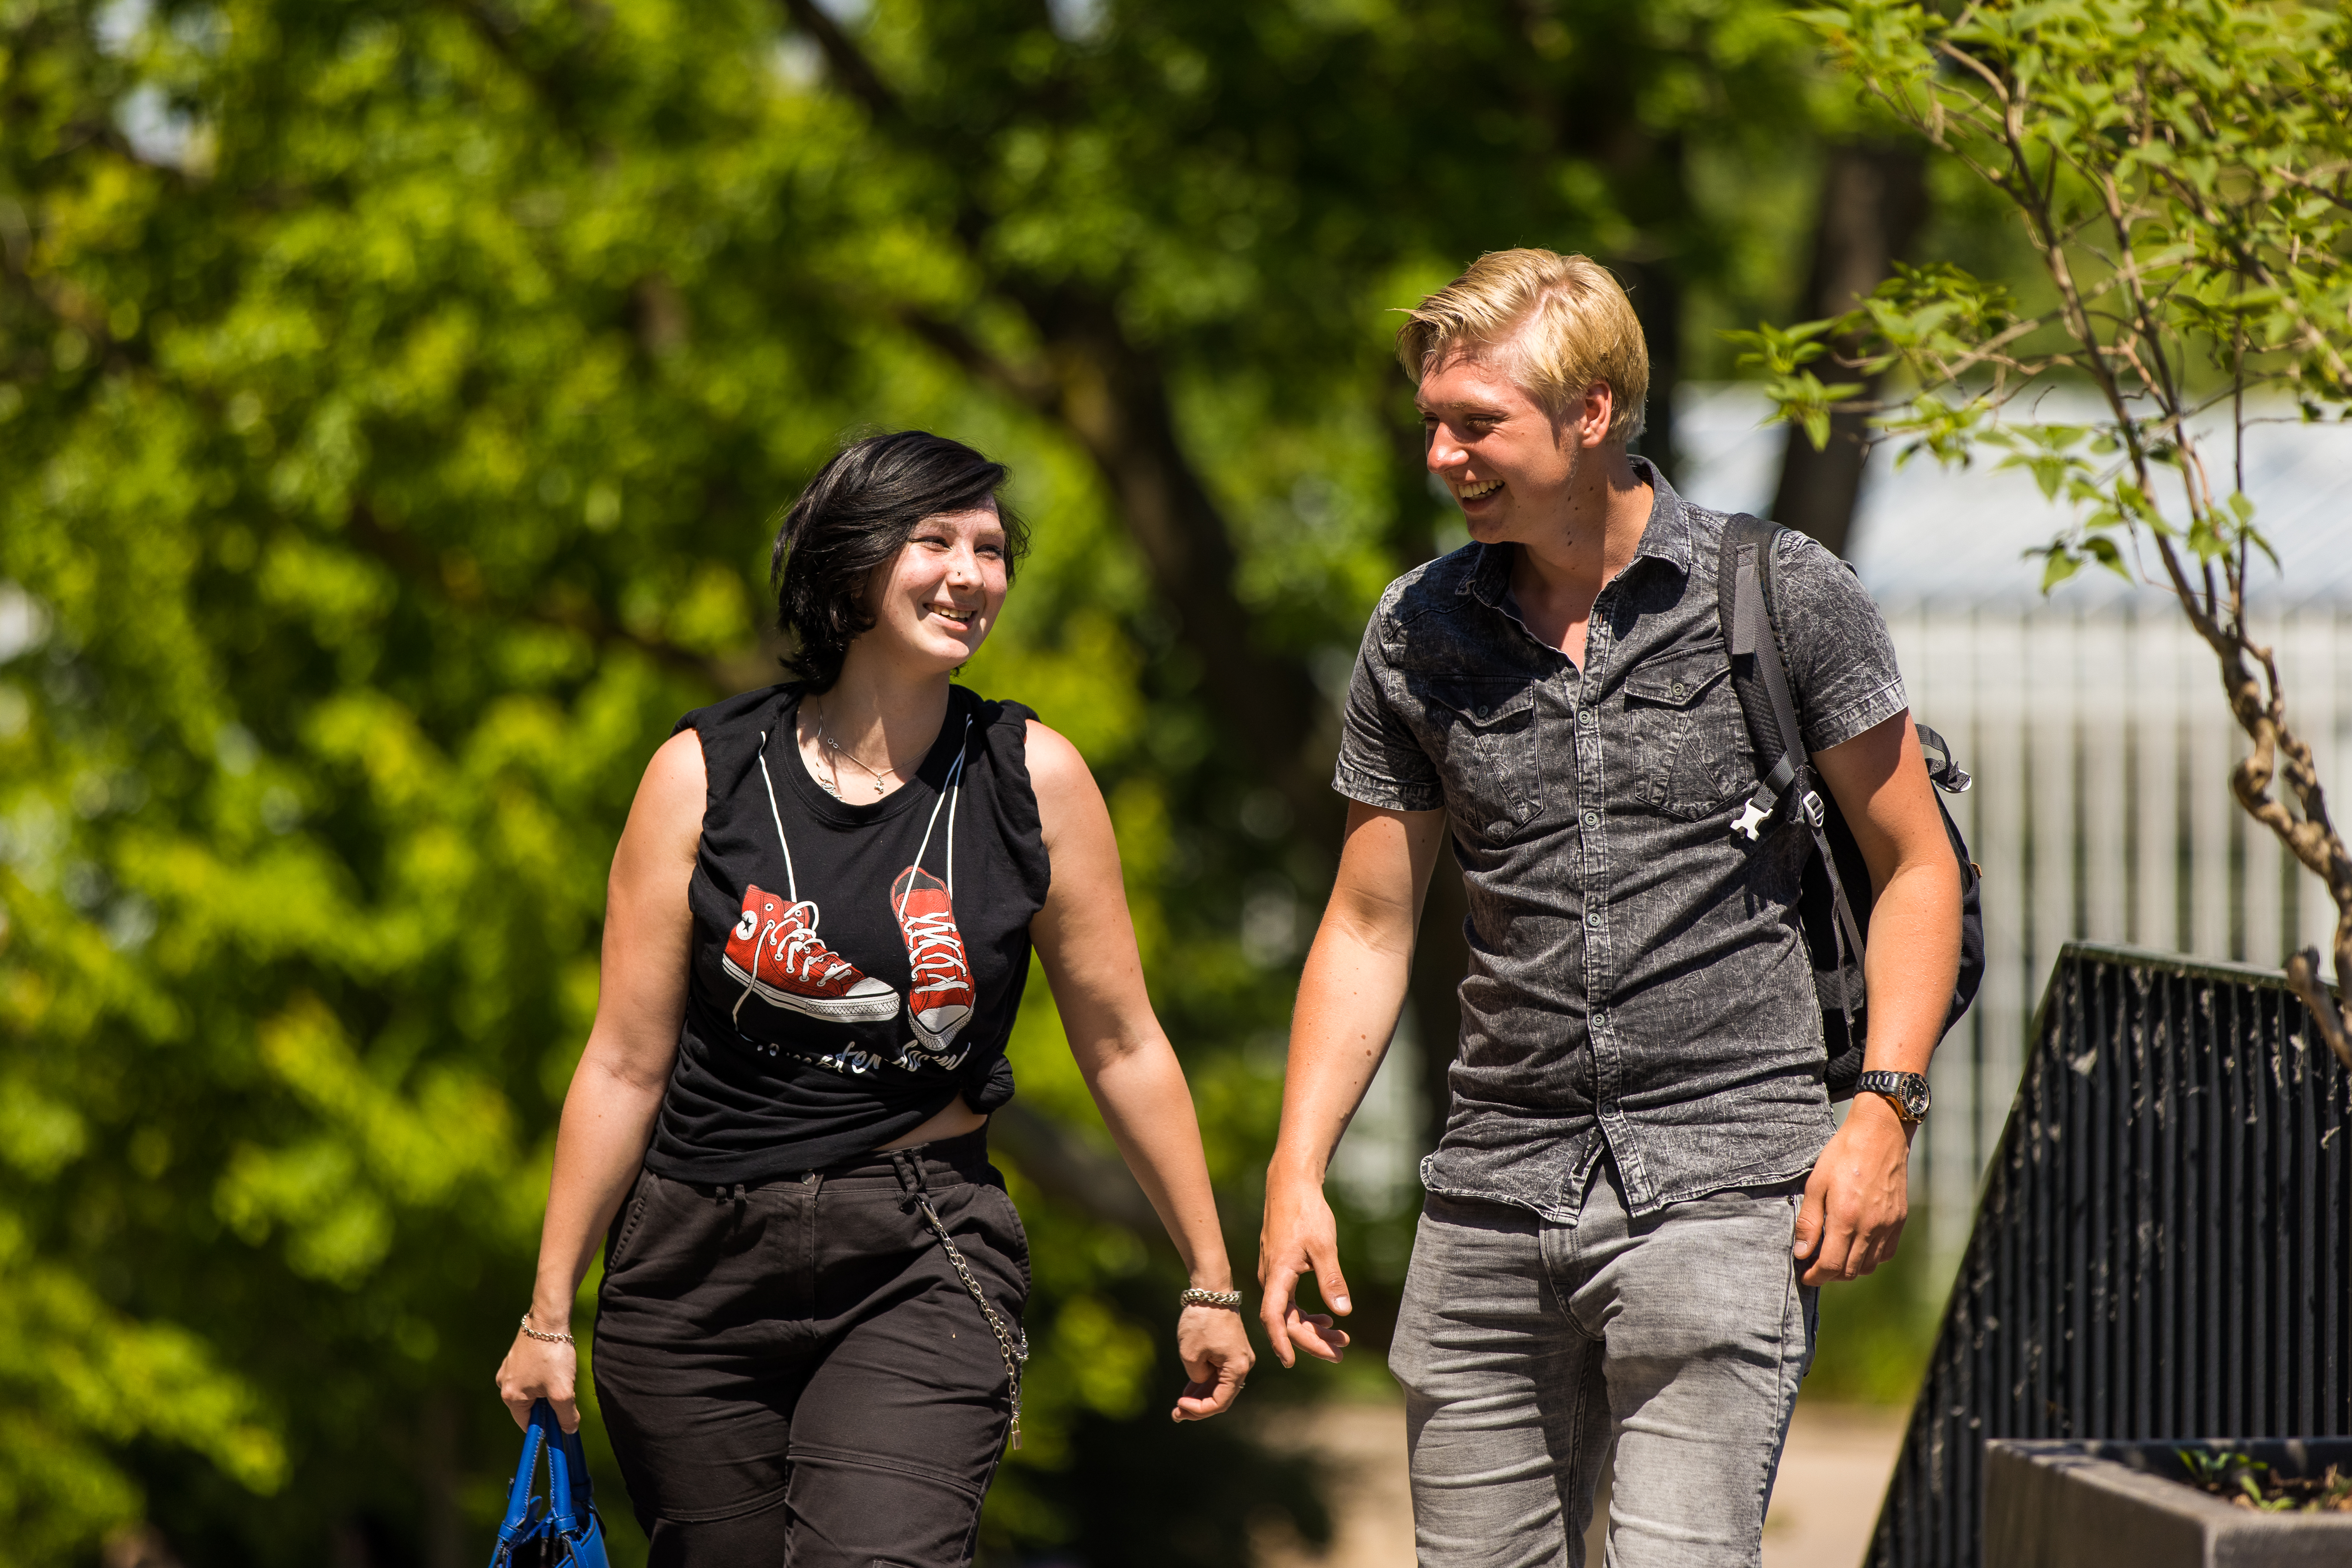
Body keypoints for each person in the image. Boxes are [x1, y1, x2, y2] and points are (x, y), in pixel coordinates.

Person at [1257, 250, 1962, 1568]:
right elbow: (1368, 923)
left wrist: (1884, 1106)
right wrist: (1298, 1172)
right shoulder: (1416, 632)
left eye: (1477, 424)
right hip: (1489, 1195)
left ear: (1590, 414)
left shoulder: (1778, 590)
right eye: (1432, 424)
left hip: (1726, 1182)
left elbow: (1918, 864)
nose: (1441, 456)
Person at [496, 430, 1254, 1568]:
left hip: (919, 1246)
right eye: (935, 540)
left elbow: (1123, 1043)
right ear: (851, 563)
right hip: (697, 1268)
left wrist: (1211, 1279)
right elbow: (621, 1063)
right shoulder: (705, 773)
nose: (971, 574)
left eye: (992, 549)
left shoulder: (1033, 778)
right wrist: (550, 1312)